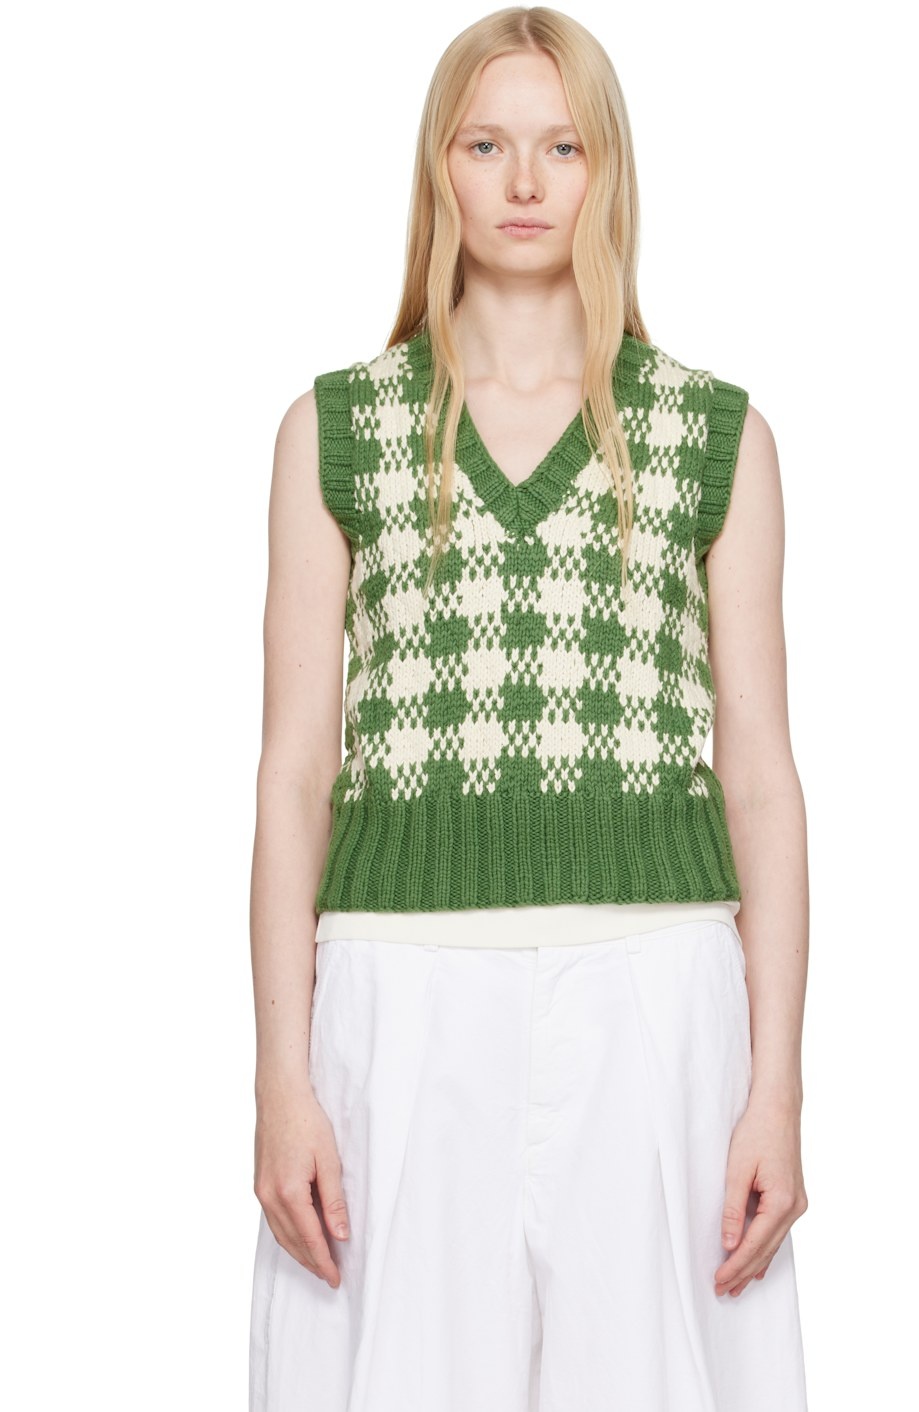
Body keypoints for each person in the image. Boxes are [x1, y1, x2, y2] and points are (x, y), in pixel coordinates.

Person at [248, 6, 810, 1409]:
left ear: (606, 169)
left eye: (562, 147)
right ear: (438, 167)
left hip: (655, 992)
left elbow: (759, 778)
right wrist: (279, 1081)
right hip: (398, 993)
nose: (522, 181)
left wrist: (778, 1089)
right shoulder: (337, 431)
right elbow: (295, 774)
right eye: (485, 144)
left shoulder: (713, 437)